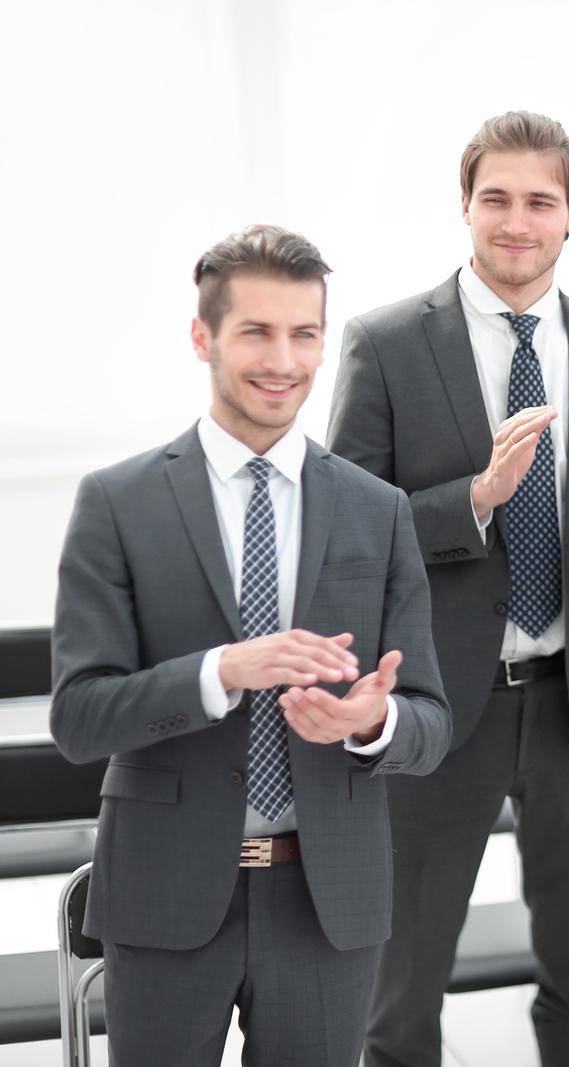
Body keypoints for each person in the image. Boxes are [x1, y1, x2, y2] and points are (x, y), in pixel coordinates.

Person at [327, 110, 569, 1067]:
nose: (515, 222)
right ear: (464, 207)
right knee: (400, 993)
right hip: (439, 708)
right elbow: (344, 538)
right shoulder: (387, 344)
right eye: (496, 199)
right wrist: (473, 501)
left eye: (539, 202)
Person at [49, 225, 451, 1066]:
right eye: (257, 332)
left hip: (326, 895)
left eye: (305, 333)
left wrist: (370, 722)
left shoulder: (378, 509)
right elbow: (80, 718)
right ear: (203, 336)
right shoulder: (119, 502)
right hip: (164, 889)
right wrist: (219, 672)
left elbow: (430, 722)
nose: (285, 359)